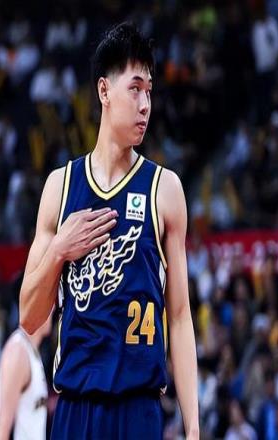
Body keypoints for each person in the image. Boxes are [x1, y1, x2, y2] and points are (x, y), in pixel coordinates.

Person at [19, 22, 199, 439]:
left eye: (149, 91)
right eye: (135, 89)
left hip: (139, 408)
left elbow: (179, 315)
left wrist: (193, 426)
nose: (145, 104)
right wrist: (59, 250)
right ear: (104, 91)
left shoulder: (165, 189)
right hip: (75, 408)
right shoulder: (60, 187)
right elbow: (28, 317)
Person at [0, 313, 52, 440]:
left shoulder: (32, 351)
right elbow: (2, 428)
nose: (53, 311)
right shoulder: (18, 351)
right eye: (51, 306)